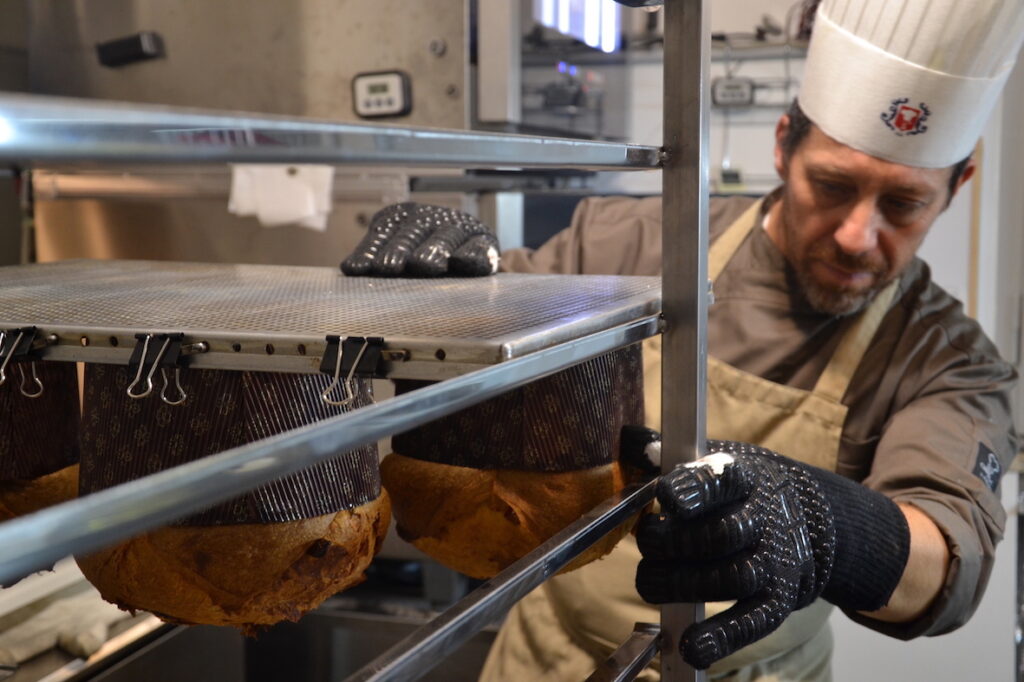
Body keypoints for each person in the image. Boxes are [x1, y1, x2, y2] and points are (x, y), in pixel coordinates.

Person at [341, 0, 1024, 678]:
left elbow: (947, 565)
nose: (857, 235)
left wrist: (828, 526)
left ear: (957, 185)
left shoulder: (947, 357)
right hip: (555, 659)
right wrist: (447, 273)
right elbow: (478, 323)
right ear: (784, 146)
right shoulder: (627, 243)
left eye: (903, 205)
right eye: (833, 185)